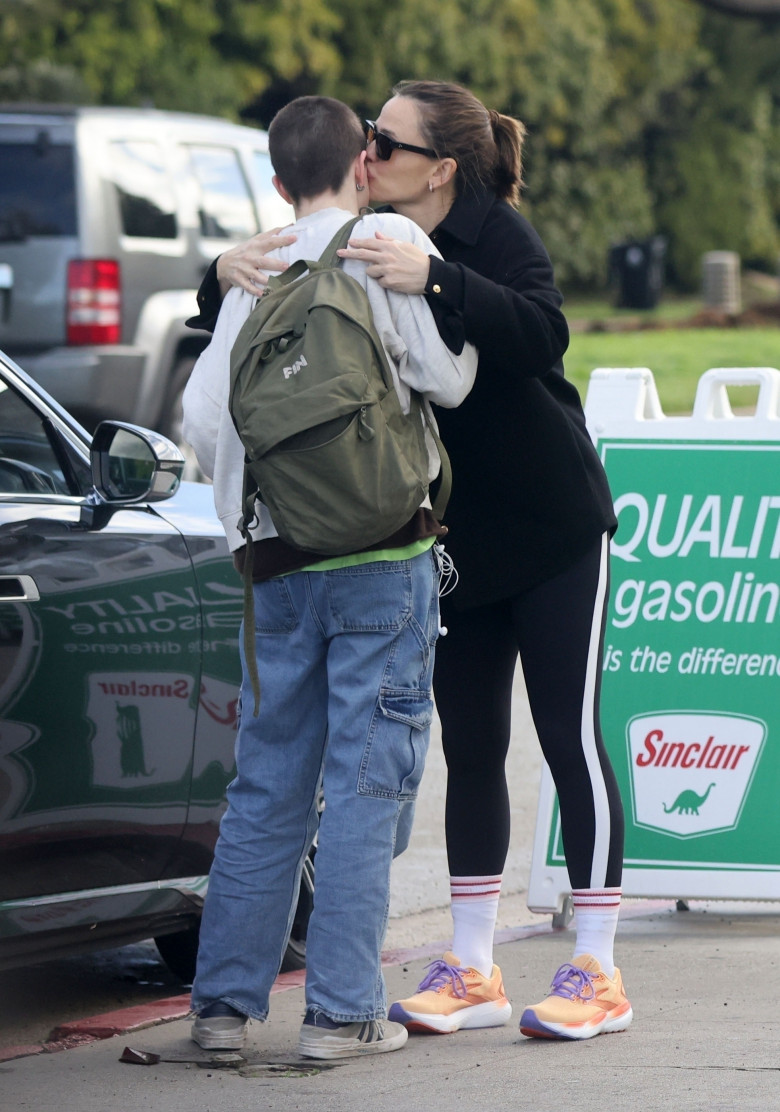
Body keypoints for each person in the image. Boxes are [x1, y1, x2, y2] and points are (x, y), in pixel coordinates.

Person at [190, 80, 631, 1044]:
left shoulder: (486, 234)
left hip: (554, 526)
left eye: (388, 138)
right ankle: (472, 969)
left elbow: (542, 333)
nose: (371, 149)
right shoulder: (371, 233)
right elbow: (253, 321)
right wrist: (215, 273)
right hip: (454, 540)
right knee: (469, 750)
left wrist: (431, 279)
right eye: (369, 136)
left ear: (438, 167)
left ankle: (596, 968)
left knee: (568, 738)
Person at [181, 94, 477, 1061]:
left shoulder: (249, 270)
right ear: (362, 162)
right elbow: (449, 379)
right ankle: (343, 1013)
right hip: (383, 564)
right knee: (363, 789)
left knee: (266, 786)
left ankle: (222, 1013)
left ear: (275, 181)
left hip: (274, 571)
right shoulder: (379, 238)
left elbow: (203, 428)